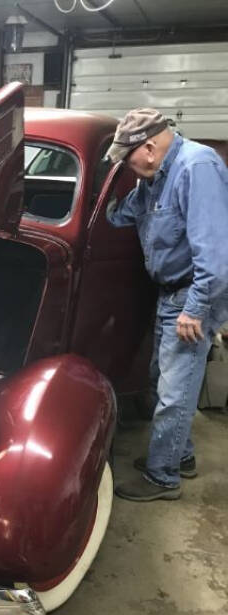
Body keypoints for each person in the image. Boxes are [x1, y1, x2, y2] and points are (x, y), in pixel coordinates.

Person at [106, 108, 228, 501]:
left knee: (175, 389)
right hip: (171, 293)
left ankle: (163, 477)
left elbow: (215, 254)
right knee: (165, 377)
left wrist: (195, 309)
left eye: (128, 158)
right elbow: (127, 214)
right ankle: (180, 455)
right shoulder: (153, 178)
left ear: (149, 146)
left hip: (194, 295)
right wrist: (103, 201)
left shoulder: (197, 167)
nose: (127, 167)